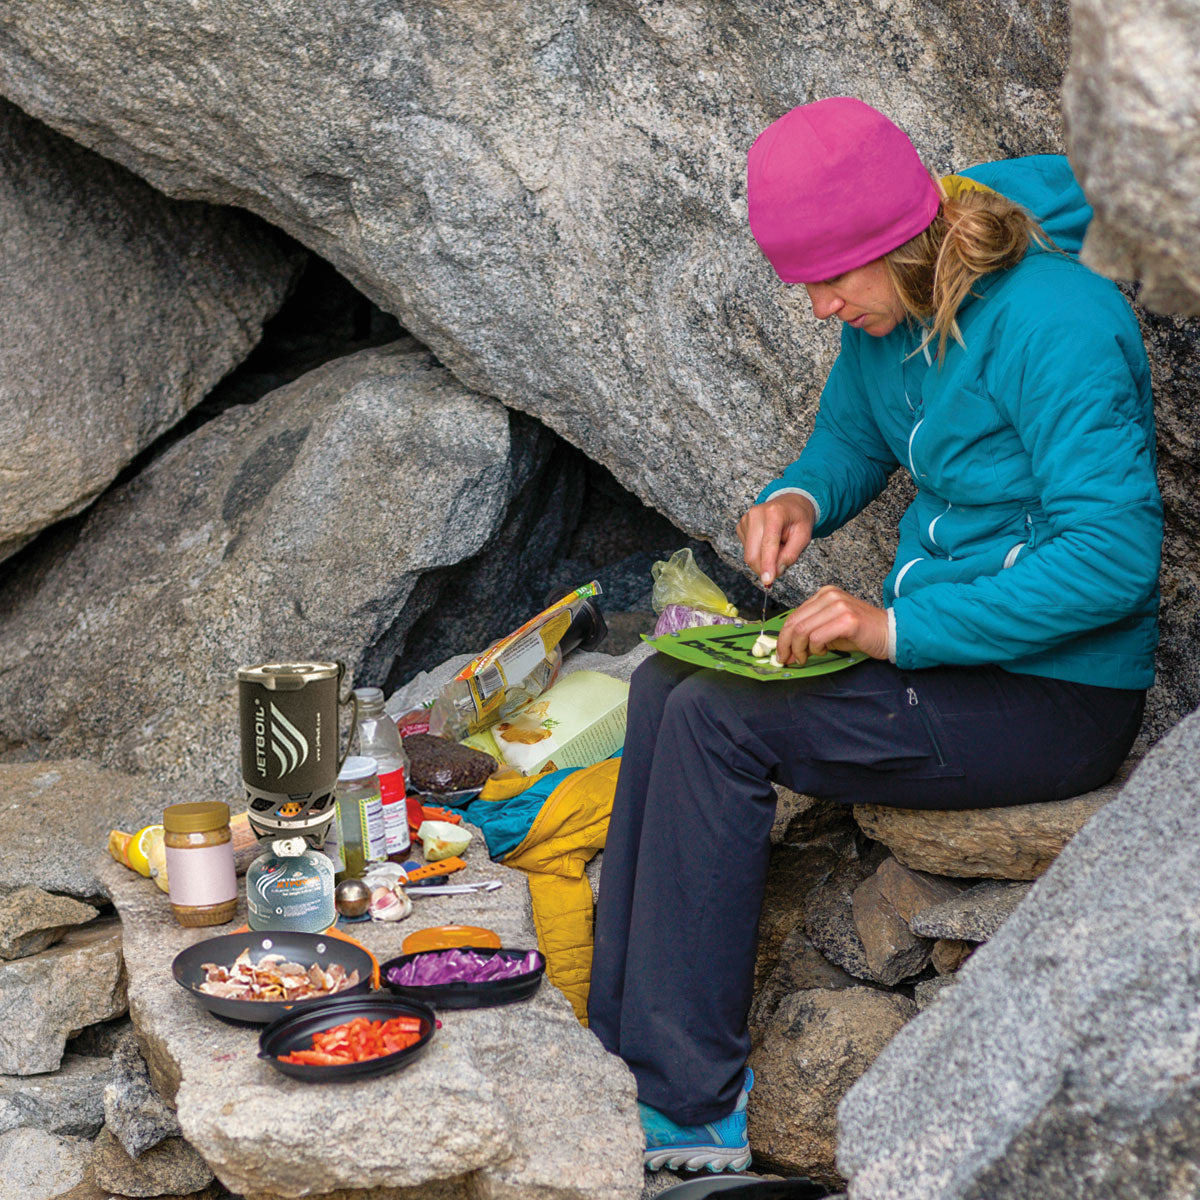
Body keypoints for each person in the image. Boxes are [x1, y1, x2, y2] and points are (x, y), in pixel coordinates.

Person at [587, 97, 1162, 1173]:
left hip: (1057, 694)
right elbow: (852, 436)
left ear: (904, 241)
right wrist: (800, 496)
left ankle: (690, 1113)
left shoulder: (1059, 323)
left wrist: (895, 628)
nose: (816, 307)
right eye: (801, 282)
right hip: (954, 655)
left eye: (832, 279)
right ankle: (618, 1051)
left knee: (718, 721)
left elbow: (1112, 562)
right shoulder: (894, 312)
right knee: (670, 680)